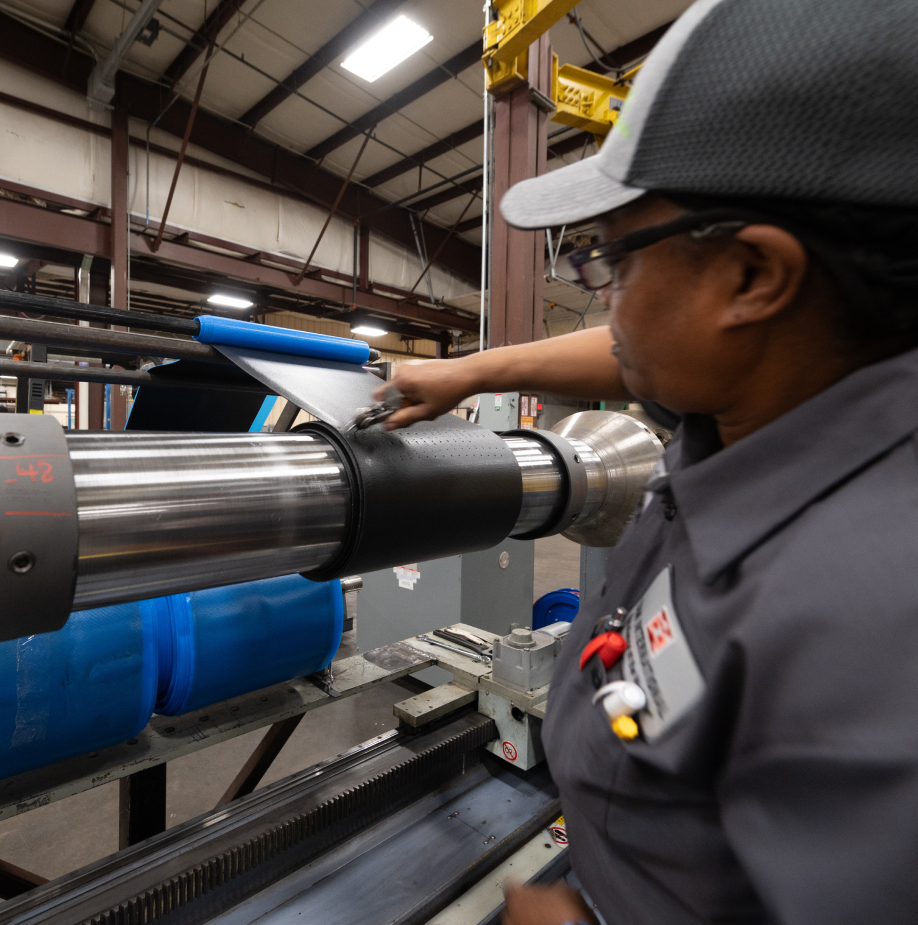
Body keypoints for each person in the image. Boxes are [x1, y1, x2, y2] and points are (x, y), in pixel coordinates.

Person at [375, 0, 918, 922]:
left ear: (751, 278)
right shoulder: (779, 382)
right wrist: (466, 370)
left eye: (610, 259)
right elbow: (626, 351)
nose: (606, 297)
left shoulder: (867, 636)